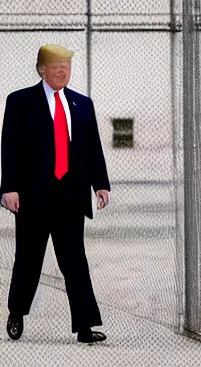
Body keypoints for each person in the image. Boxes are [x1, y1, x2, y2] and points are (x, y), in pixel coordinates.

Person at [0, 44, 110, 344]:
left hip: (69, 198)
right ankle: (17, 311)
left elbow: (92, 148)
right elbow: (9, 147)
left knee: (75, 260)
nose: (62, 70)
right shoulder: (20, 101)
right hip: (32, 198)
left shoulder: (82, 104)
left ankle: (85, 326)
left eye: (66, 65)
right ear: (41, 69)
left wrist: (100, 184)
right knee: (28, 259)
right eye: (55, 65)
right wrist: (8, 188)